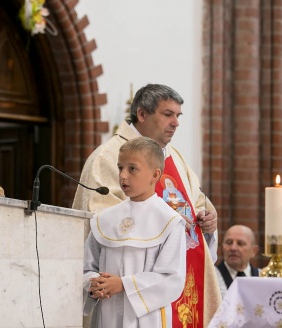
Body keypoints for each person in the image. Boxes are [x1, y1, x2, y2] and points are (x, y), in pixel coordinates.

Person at [73, 83, 221, 327]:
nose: (176, 123)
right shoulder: (108, 157)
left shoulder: (176, 159)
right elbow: (100, 227)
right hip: (123, 297)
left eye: (178, 115)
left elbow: (196, 202)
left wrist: (207, 220)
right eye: (167, 114)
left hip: (178, 282)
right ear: (142, 114)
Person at [83, 137, 187, 327]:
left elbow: (172, 279)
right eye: (120, 167)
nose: (123, 175)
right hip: (107, 313)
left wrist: (123, 285)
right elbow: (87, 267)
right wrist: (93, 284)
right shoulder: (103, 220)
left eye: (132, 169)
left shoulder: (170, 221)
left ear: (154, 175)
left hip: (147, 318)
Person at [214, 225, 259, 299]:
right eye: (229, 242)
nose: (233, 248)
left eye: (240, 243)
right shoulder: (212, 276)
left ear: (253, 251)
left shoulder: (263, 277)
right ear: (222, 247)